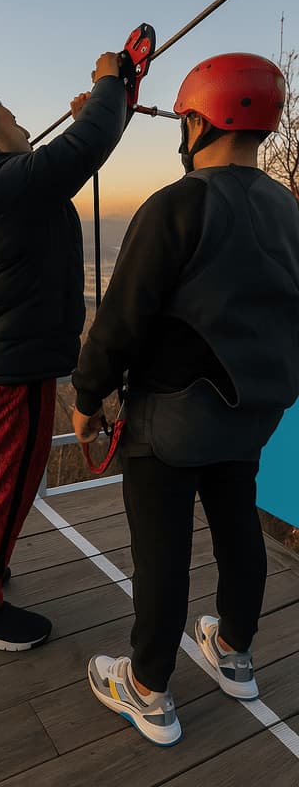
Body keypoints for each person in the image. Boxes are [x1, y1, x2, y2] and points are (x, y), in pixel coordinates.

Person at [72, 52, 299, 745]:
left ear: (199, 119)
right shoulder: (288, 207)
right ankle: (234, 652)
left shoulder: (177, 204)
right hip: (251, 415)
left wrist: (87, 394)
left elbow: (121, 317)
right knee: (239, 531)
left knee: (161, 555)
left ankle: (148, 690)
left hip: (168, 422)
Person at [0, 51, 128, 651]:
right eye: (15, 123)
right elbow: (80, 152)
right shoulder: (1, 183)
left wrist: (99, 110)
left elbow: (78, 149)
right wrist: (106, 81)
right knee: (7, 484)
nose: (25, 129)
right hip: (12, 369)